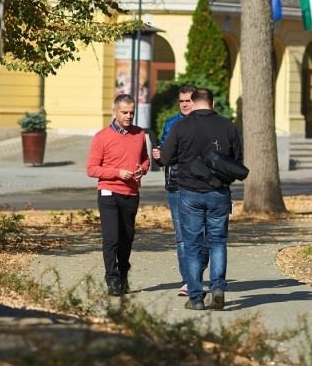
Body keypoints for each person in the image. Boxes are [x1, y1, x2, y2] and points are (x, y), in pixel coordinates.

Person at [159, 88, 242, 311]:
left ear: (193, 104)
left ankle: (195, 297)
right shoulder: (228, 126)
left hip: (189, 193)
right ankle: (217, 286)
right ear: (212, 104)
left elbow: (166, 158)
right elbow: (237, 161)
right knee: (217, 242)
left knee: (193, 245)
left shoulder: (181, 126)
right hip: (219, 192)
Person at [86, 94, 151, 296]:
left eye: (132, 112)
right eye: (124, 112)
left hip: (131, 193)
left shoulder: (139, 134)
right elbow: (91, 169)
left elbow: (146, 159)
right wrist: (117, 173)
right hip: (108, 193)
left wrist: (143, 169)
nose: (129, 116)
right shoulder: (102, 137)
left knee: (127, 238)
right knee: (111, 238)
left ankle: (123, 276)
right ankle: (112, 280)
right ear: (115, 111)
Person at [152, 84, 199, 297]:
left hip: (199, 187)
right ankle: (188, 280)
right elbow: (164, 154)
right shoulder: (171, 123)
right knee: (181, 236)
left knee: (201, 236)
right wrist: (158, 154)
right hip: (176, 186)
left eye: (188, 100)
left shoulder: (204, 123)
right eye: (182, 101)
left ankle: (196, 275)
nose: (185, 104)